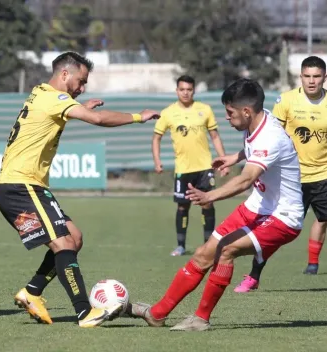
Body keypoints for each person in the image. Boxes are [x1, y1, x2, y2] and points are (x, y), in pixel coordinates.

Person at [0, 51, 160, 328]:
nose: (82, 87)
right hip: (21, 186)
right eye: (80, 81)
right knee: (63, 244)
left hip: (23, 186)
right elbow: (96, 120)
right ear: (64, 75)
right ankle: (85, 312)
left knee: (74, 237)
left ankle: (32, 291)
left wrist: (77, 102)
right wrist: (137, 117)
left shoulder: (41, 92)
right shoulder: (54, 99)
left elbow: (57, 108)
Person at [127, 78, 304, 331]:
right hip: (258, 206)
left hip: (283, 218)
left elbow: (246, 180)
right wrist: (235, 156)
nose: (227, 118)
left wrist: (210, 196)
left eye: (230, 113)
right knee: (202, 254)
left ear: (246, 111)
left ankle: (201, 319)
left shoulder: (270, 136)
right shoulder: (256, 120)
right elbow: (253, 149)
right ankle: (157, 313)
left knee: (226, 250)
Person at [235, 56, 327, 292]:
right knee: (273, 228)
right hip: (290, 179)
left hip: (322, 176)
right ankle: (254, 276)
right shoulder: (286, 101)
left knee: (323, 219)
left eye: (316, 76)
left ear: (324, 77)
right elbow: (266, 137)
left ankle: (313, 263)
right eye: (307, 76)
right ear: (301, 77)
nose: (311, 81)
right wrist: (237, 157)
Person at [153, 75, 228, 257]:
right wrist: (157, 160)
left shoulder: (205, 110)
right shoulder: (168, 113)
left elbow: (215, 136)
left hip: (204, 167)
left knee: (208, 204)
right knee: (182, 207)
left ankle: (208, 246)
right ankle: (180, 246)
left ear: (193, 90)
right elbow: (157, 138)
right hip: (183, 169)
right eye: (182, 89)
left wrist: (223, 160)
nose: (185, 93)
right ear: (177, 90)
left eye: (189, 89)